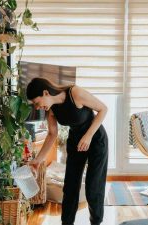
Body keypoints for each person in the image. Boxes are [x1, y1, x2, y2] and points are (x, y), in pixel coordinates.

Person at [26, 78, 108, 225]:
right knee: (70, 188)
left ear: (46, 93)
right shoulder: (50, 109)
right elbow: (52, 134)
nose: (37, 107)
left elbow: (103, 109)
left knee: (93, 188)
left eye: (37, 103)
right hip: (76, 142)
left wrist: (88, 136)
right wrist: (37, 161)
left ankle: (96, 222)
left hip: (95, 140)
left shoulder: (75, 93)